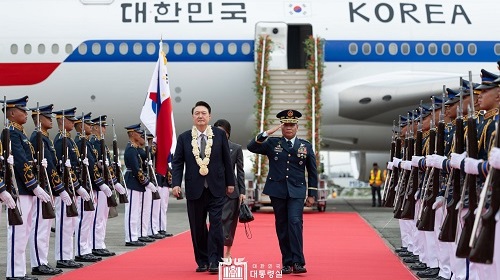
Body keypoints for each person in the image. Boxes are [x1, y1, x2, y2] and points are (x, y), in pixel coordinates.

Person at [247, 109, 317, 274]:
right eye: (286, 124)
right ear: (282, 126)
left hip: (297, 191)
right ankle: (287, 262)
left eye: (292, 125)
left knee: (294, 222)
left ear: (297, 127)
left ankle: (298, 262)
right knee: (282, 226)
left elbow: (313, 172)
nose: (289, 128)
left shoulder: (305, 146)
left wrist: (312, 194)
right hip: (277, 191)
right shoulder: (272, 143)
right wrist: (266, 133)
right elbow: (251, 147)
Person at [171, 101, 235, 274]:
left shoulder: (219, 135)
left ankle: (216, 261)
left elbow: (227, 161)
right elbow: (177, 163)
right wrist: (176, 183)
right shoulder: (184, 138)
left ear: (209, 116)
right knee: (197, 226)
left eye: (203, 113)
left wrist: (231, 183)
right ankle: (202, 260)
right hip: (194, 189)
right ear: (193, 117)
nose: (200, 116)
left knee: (216, 225)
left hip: (216, 187)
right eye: (197, 113)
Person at [2, 96, 52, 280]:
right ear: (12, 113)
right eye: (22, 111)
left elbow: (28, 160)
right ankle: (14, 273)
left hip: (27, 190)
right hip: (20, 188)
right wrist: (34, 185)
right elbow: (21, 162)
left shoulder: (21, 134)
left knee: (24, 232)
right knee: (18, 232)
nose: (26, 113)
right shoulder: (11, 134)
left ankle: (20, 271)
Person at [28, 104, 65, 276]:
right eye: (47, 117)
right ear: (38, 119)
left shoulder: (46, 138)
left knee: (45, 225)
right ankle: (38, 263)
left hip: (49, 186)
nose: (51, 120)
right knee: (39, 227)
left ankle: (42, 261)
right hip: (42, 186)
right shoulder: (37, 137)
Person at [213, 119, 245, 261]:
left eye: (223, 132)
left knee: (229, 223)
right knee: (216, 222)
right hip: (214, 190)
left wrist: (242, 192)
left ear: (228, 133)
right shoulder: (209, 147)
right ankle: (214, 253)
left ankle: (228, 252)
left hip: (232, 192)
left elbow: (240, 172)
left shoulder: (236, 148)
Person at [123, 124, 158, 247]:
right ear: (132, 134)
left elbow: (147, 156)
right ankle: (130, 238)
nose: (141, 135)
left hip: (136, 184)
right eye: (139, 133)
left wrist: (152, 144)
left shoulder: (136, 149)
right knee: (131, 212)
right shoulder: (131, 149)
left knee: (136, 211)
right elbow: (136, 169)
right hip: (132, 182)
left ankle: (135, 235)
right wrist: (148, 183)